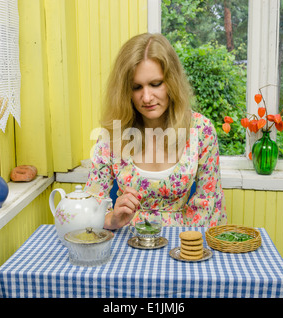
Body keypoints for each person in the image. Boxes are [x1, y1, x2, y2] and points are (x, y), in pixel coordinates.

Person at [84, 33, 227, 230]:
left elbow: (208, 205)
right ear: (125, 91)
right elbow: (90, 205)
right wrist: (111, 219)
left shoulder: (200, 130)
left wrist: (185, 248)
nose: (147, 97)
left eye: (155, 84)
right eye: (136, 87)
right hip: (127, 243)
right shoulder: (112, 134)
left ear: (172, 82)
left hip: (180, 244)